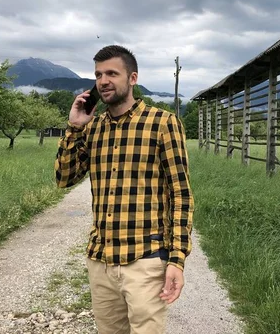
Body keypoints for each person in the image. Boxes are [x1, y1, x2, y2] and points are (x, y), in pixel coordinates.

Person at [54, 45, 194, 334]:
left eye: (112, 73)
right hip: (101, 260)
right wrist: (74, 127)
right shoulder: (92, 129)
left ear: (132, 78)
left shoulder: (163, 123)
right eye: (98, 74)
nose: (103, 80)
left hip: (146, 259)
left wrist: (177, 260)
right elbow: (64, 178)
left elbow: (180, 194)